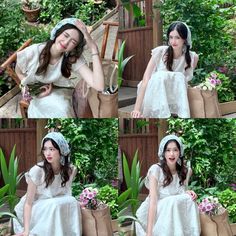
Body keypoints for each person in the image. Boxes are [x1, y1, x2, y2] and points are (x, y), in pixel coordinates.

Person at [16, 18, 104, 118]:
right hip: (39, 94)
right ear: (58, 32)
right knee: (57, 110)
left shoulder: (70, 58)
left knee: (63, 109)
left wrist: (93, 47)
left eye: (73, 42)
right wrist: (27, 89)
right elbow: (18, 71)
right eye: (66, 35)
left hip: (60, 91)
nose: (66, 42)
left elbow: (99, 86)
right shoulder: (34, 52)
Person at [13, 132, 81, 236]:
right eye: (45, 149)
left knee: (72, 201)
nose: (47, 153)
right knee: (55, 205)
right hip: (35, 207)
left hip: (53, 205)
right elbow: (28, 203)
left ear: (61, 150)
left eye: (52, 149)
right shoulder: (37, 171)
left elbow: (66, 194)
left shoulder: (70, 170)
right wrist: (26, 230)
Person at [135, 134, 201, 236]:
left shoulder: (186, 171)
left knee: (189, 199)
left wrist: (188, 192)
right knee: (172, 202)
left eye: (175, 150)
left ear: (180, 152)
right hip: (157, 209)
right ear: (163, 152)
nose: (172, 154)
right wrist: (149, 233)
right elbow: (153, 201)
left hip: (173, 209)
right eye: (168, 150)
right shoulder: (156, 170)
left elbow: (181, 192)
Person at [131, 21, 199, 118]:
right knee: (161, 75)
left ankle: (176, 110)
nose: (173, 41)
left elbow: (185, 81)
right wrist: (136, 109)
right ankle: (159, 110)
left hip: (173, 95)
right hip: (154, 90)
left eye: (177, 37)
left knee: (179, 77)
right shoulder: (160, 52)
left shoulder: (192, 57)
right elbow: (146, 79)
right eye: (171, 37)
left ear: (184, 39)